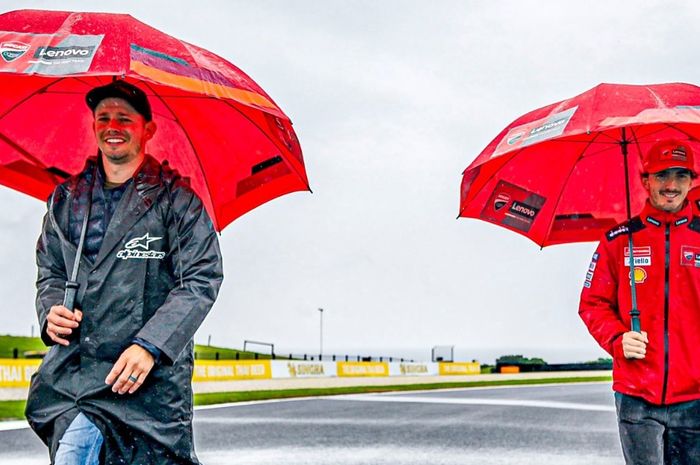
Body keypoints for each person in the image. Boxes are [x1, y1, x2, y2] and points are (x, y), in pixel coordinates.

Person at [25, 80, 224, 465]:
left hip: (146, 385)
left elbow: (200, 278)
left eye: (124, 118)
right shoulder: (67, 200)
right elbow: (49, 270)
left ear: (147, 129)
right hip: (76, 377)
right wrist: (51, 312)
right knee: (73, 455)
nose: (112, 126)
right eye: (103, 118)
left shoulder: (178, 202)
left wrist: (150, 345)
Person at [579, 139, 700, 464]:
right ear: (645, 180)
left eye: (680, 175)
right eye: (661, 175)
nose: (671, 185)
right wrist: (618, 339)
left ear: (693, 180)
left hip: (696, 396)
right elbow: (592, 304)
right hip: (637, 394)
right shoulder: (618, 240)